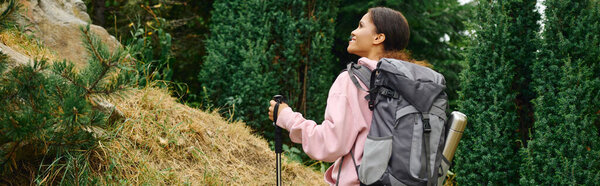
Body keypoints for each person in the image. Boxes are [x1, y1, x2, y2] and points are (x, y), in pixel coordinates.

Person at [268, 7, 427, 185]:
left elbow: (329, 144)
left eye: (360, 26)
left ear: (378, 37)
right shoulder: (410, 87)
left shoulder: (353, 81)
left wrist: (287, 117)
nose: (353, 31)